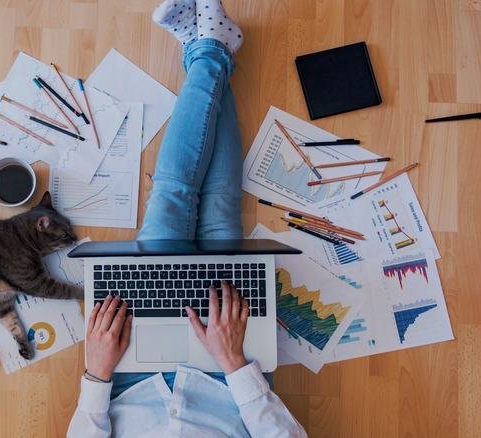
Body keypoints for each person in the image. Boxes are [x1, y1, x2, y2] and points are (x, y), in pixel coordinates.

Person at [67, 1, 307, 436]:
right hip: (227, 381)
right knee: (217, 207)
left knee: (173, 198)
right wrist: (233, 362)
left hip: (129, 377)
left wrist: (97, 375)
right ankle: (209, 48)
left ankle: (210, 47)